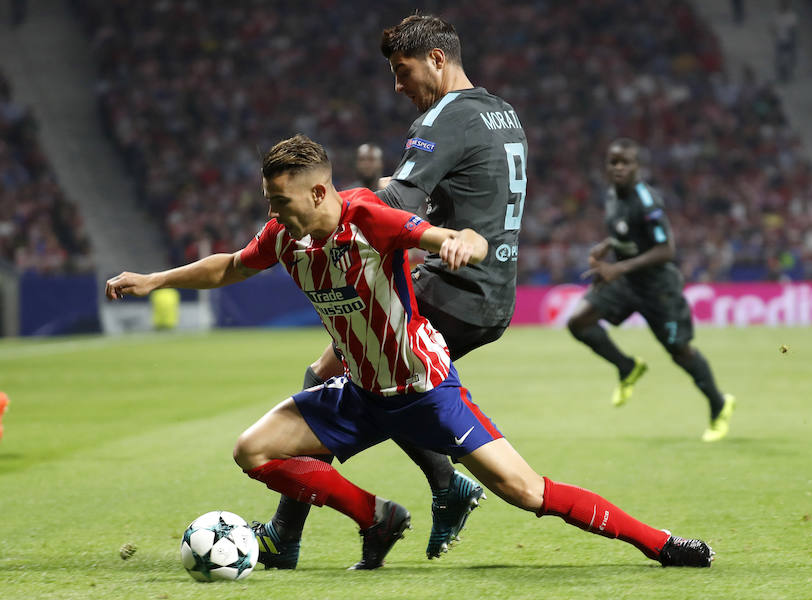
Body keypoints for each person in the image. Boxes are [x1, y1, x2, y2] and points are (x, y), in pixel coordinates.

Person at [106, 133, 715, 570]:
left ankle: (659, 544)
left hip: (426, 393)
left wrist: (464, 244)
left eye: (281, 202)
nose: (273, 214)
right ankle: (377, 517)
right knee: (252, 451)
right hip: (360, 395)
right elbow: (232, 266)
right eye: (269, 202)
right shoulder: (283, 235)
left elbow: (457, 235)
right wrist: (155, 280)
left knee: (529, 493)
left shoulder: (369, 217)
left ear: (319, 192)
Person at [255, 14, 530, 568]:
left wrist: (332, 199)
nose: (399, 87)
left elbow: (401, 204)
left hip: (454, 287)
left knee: (344, 377)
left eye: (403, 72)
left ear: (436, 59)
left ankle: (288, 535)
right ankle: (442, 486)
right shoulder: (501, 111)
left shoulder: (444, 119)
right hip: (492, 289)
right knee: (376, 383)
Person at [567, 138, 736, 442]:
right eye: (613, 162)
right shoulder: (613, 196)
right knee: (578, 322)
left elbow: (666, 249)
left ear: (636, 167)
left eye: (625, 163)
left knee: (680, 352)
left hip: (658, 290)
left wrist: (618, 267)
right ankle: (627, 367)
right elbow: (624, 231)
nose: (618, 168)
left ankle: (719, 403)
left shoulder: (647, 203)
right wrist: (607, 247)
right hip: (627, 282)